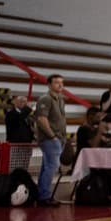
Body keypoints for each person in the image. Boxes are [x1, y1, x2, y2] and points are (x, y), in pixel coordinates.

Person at [31, 74, 69, 207]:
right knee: (52, 167)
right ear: (49, 84)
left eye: (62, 82)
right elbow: (41, 119)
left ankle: (41, 194)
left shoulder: (60, 99)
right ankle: (44, 196)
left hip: (59, 138)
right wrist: (52, 136)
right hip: (50, 139)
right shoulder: (46, 99)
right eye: (57, 82)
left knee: (47, 167)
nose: (60, 85)